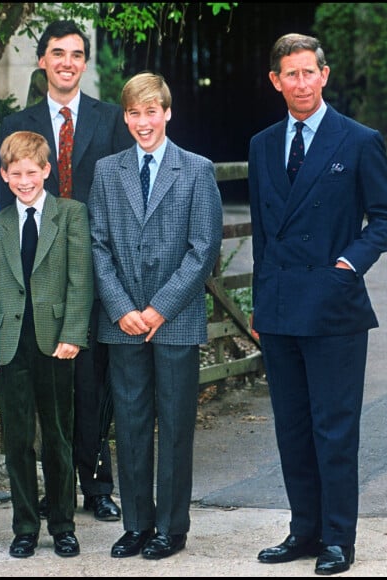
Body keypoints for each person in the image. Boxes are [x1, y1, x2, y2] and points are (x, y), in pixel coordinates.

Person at [248, 33, 387, 575]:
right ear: (276, 81)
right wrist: (259, 303)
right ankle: (303, 530)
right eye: (290, 74)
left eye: (309, 72)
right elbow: (266, 233)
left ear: (325, 74)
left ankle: (339, 539)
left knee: (333, 428)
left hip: (334, 307)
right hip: (281, 305)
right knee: (291, 427)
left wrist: (349, 263)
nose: (301, 83)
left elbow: (386, 216)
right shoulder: (263, 143)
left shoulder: (358, 140)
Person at [0, 19, 133, 523]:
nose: (67, 62)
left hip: (98, 266)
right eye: (57, 53)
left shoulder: (111, 119)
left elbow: (124, 194)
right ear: (42, 61)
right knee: (46, 383)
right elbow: (3, 206)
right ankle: (52, 494)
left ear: (85, 62)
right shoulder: (16, 125)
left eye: (76, 54)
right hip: (36, 274)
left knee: (93, 382)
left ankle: (96, 485)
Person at [88, 71, 223, 560]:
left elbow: (204, 248)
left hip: (176, 318)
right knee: (131, 423)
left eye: (151, 111)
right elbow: (98, 246)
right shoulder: (108, 171)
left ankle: (171, 526)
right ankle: (137, 523)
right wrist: (124, 309)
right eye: (133, 112)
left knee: (175, 423)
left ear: (167, 113)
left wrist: (159, 309)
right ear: (124, 117)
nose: (142, 122)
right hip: (123, 322)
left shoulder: (196, 169)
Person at [0, 130, 93, 558]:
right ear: (4, 176)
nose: (25, 181)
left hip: (55, 341)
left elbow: (81, 280)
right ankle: (25, 525)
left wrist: (73, 334)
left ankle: (62, 524)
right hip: (10, 344)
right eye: (15, 173)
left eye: (32, 172)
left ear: (47, 170)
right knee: (18, 440)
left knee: (59, 438)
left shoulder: (71, 215)